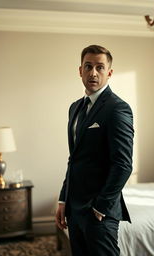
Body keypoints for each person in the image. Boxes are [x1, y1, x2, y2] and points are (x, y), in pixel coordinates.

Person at [55, 44, 134, 256]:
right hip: (74, 208)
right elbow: (75, 159)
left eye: (100, 67)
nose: (93, 72)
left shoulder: (118, 108)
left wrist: (100, 207)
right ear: (80, 70)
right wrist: (64, 199)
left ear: (109, 73)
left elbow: (123, 164)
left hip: (98, 212)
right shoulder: (75, 107)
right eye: (88, 66)